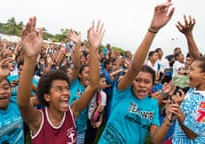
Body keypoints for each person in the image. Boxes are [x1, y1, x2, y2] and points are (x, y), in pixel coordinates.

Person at [98, 1, 175, 143]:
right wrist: (153, 30)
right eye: (138, 80)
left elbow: (156, 140)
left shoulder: (152, 105)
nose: (142, 85)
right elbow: (134, 68)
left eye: (147, 82)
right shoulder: (123, 93)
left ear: (153, 85)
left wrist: (169, 119)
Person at [17, 17, 104, 143]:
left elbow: (94, 85)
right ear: (47, 97)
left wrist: (94, 49)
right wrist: (30, 58)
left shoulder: (72, 112)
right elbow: (23, 103)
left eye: (67, 88)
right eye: (59, 89)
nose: (66, 93)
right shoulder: (38, 120)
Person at [171, 15, 205, 143]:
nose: (187, 72)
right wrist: (188, 35)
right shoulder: (194, 88)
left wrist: (179, 112)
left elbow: (192, 134)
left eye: (191, 70)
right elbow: (198, 59)